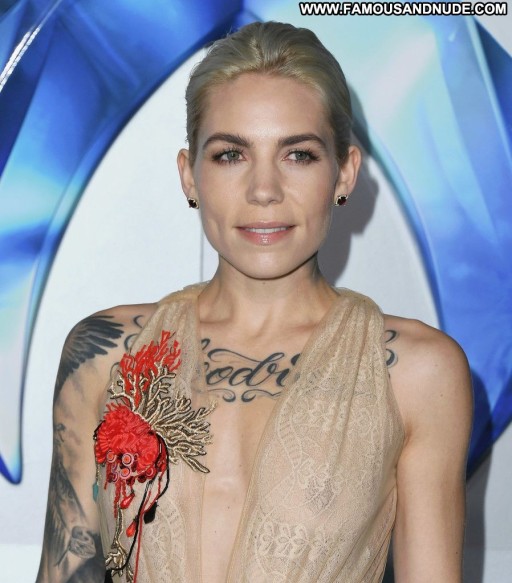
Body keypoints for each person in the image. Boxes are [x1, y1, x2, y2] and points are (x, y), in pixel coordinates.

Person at [37, 21, 472, 583]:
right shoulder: (103, 355)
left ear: (345, 172)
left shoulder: (417, 372)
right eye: (230, 155)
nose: (264, 190)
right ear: (188, 176)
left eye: (298, 155)